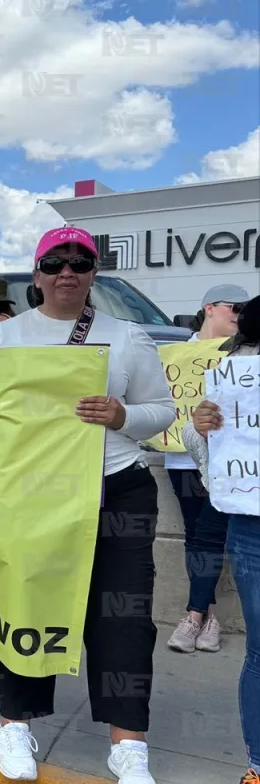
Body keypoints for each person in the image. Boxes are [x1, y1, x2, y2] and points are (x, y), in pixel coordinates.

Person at [0, 226, 174, 784]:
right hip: (31, 494)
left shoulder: (128, 337)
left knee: (123, 619)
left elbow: (163, 409)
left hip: (116, 488)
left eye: (80, 262)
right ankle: (15, 723)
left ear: (93, 273)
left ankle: (128, 744)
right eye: (55, 262)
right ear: (36, 275)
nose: (67, 272)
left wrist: (122, 416)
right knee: (24, 605)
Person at [181, 295, 260, 784]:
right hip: (252, 526)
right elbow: (207, 455)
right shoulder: (236, 373)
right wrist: (201, 429)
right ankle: (258, 766)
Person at [165, 283, 250, 655]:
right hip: (182, 456)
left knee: (211, 535)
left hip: (230, 462)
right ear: (210, 308)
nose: (240, 314)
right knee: (194, 534)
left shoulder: (246, 353)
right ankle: (208, 615)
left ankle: (195, 614)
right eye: (235, 307)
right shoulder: (175, 354)